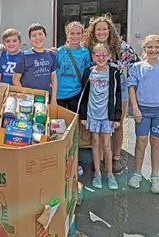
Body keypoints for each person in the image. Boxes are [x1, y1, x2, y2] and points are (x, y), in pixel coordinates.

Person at [83, 14, 139, 174]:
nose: (101, 32)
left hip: (118, 88)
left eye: (104, 29)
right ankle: (99, 159)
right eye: (98, 29)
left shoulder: (122, 47)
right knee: (99, 124)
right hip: (97, 89)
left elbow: (137, 63)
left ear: (110, 30)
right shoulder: (88, 47)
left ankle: (115, 157)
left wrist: (158, 61)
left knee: (117, 122)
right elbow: (72, 50)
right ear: (93, 32)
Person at [126, 34, 159, 194]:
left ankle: (155, 176)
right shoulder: (137, 67)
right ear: (144, 49)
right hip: (143, 110)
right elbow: (131, 87)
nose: (153, 50)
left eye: (156, 47)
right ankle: (137, 172)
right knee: (141, 142)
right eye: (150, 47)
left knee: (156, 142)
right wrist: (135, 108)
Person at [78, 43, 122, 190]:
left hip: (107, 115)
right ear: (93, 56)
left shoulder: (114, 73)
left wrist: (117, 117)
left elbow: (117, 95)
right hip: (92, 114)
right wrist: (83, 115)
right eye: (97, 55)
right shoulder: (89, 72)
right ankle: (97, 173)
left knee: (107, 145)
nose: (101, 58)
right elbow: (83, 95)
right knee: (95, 142)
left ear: (109, 55)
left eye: (104, 55)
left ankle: (110, 175)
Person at [55, 21, 90, 176]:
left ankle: (74, 160)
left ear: (82, 35)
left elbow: (88, 73)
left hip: (76, 94)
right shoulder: (59, 51)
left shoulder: (85, 53)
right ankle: (59, 158)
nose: (75, 36)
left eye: (78, 33)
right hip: (60, 95)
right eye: (72, 33)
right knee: (59, 129)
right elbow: (53, 73)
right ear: (67, 34)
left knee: (74, 129)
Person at [13, 23, 58, 105]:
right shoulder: (25, 56)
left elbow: (54, 78)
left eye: (40, 34)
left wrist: (54, 99)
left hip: (46, 97)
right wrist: (24, 96)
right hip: (28, 99)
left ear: (45, 36)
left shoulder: (51, 54)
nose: (38, 37)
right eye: (34, 35)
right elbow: (15, 79)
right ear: (30, 39)